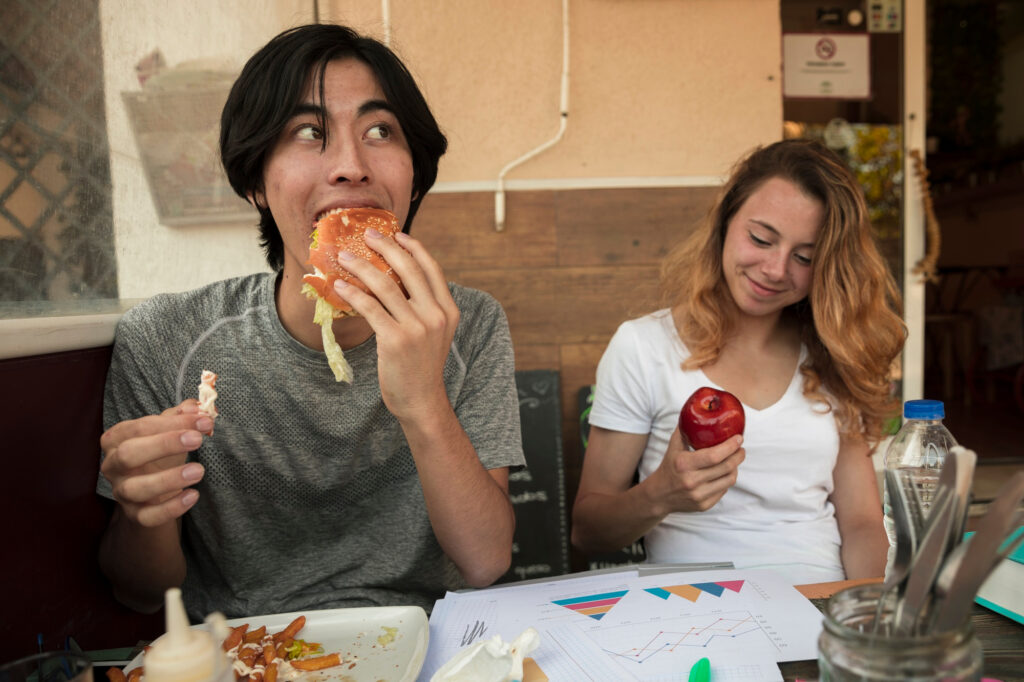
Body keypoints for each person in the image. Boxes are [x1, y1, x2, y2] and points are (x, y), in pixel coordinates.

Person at [96, 24, 524, 620]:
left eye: (380, 130)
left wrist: (424, 401)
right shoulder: (166, 339)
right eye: (308, 132)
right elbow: (139, 593)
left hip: (428, 641)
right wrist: (144, 510)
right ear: (254, 181)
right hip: (244, 650)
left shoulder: (466, 324)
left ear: (414, 176)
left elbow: (484, 562)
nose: (351, 165)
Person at [572, 139, 905, 584]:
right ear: (725, 222)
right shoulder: (643, 347)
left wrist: (872, 618)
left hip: (820, 602)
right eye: (761, 239)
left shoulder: (833, 351)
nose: (775, 269)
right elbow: (588, 531)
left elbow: (862, 523)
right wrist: (660, 495)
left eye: (805, 257)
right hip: (692, 609)